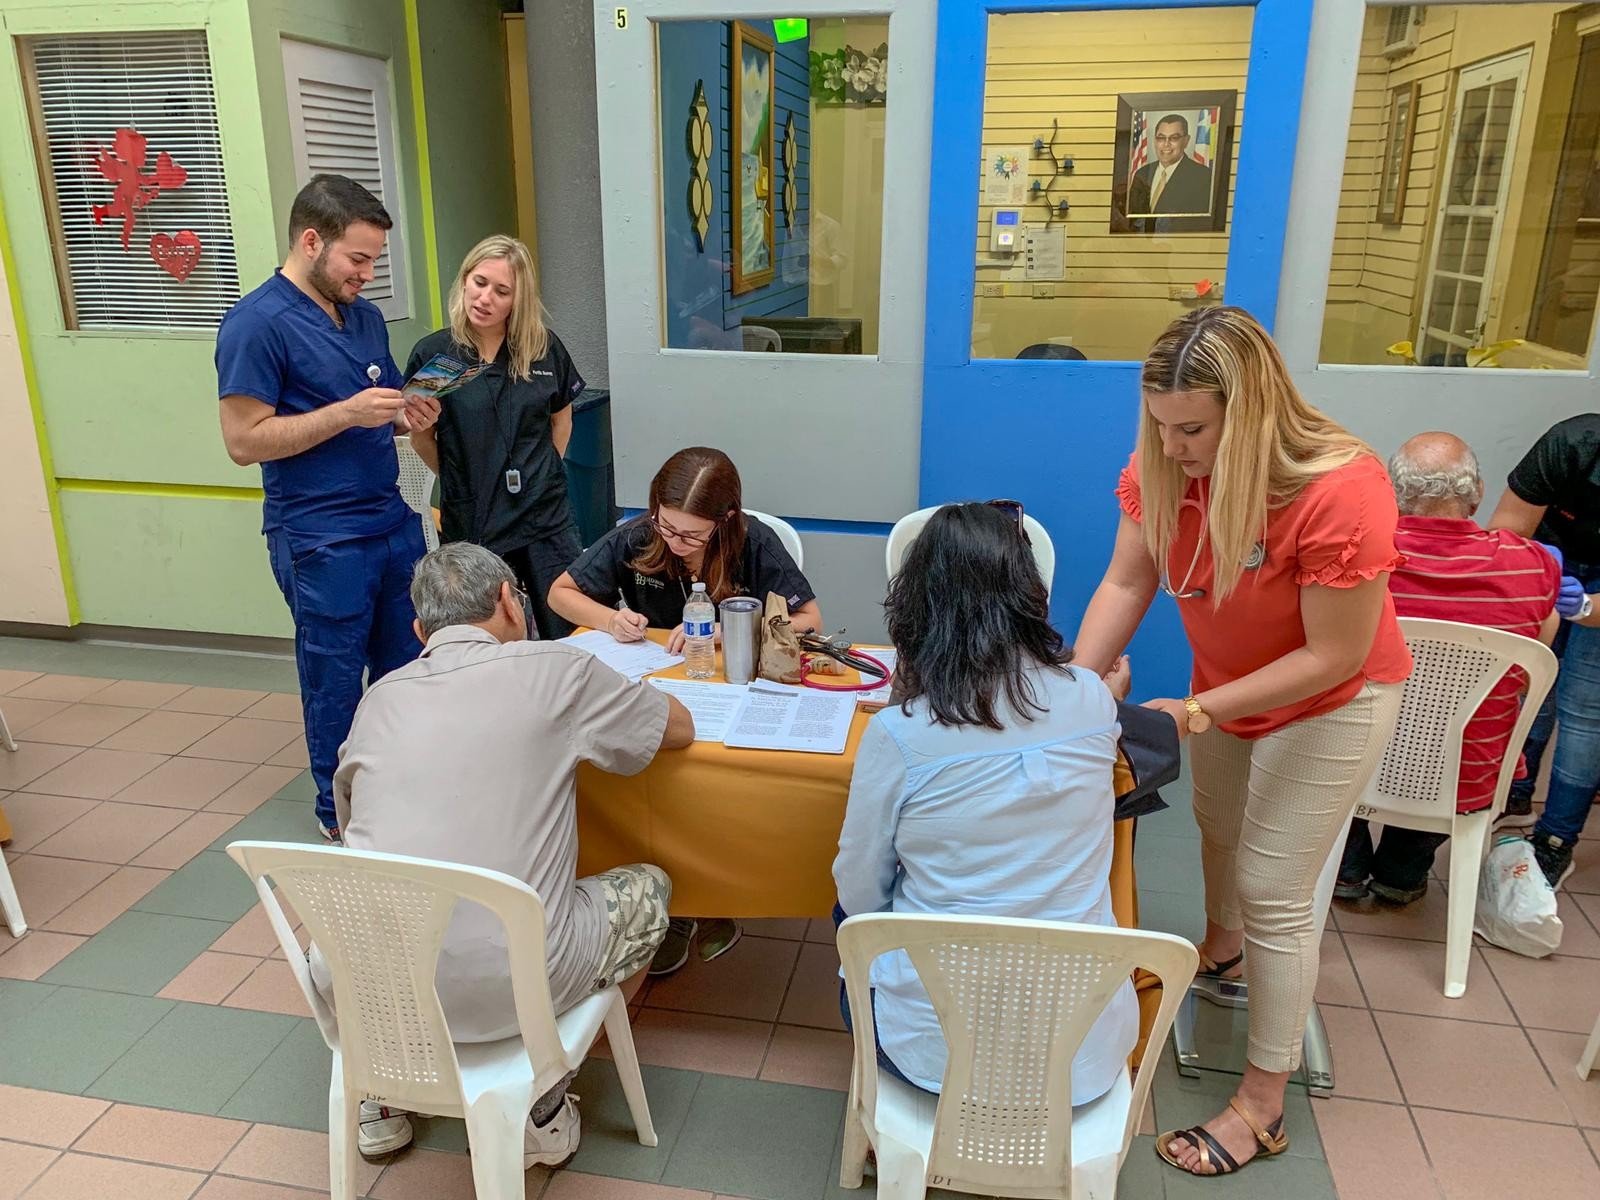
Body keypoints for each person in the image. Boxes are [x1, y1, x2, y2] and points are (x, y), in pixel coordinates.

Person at [1073, 306, 1411, 1178]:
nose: (1172, 445)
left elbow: (1333, 654)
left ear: (1252, 412)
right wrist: (1070, 687)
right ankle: (1223, 954)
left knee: (1274, 888)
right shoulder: (1163, 467)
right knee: (1218, 826)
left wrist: (1198, 709)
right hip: (1227, 688)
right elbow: (1127, 580)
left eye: (1192, 429)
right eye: (1160, 425)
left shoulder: (1342, 488)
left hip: (1335, 698)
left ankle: (1262, 1104)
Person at [321, 542, 694, 1165]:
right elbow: (675, 727)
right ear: (509, 602)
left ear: (420, 632)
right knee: (650, 887)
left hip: (375, 989)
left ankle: (381, 1097)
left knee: (379, 908)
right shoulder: (557, 669)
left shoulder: (379, 697)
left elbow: (351, 822)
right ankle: (544, 1090)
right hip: (517, 981)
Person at [832, 502, 1138, 1104]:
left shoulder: (899, 733)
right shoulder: (1093, 698)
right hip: (1082, 1057)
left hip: (933, 1058)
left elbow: (860, 893)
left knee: (850, 918)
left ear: (918, 606)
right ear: (1031, 594)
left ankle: (897, 1110)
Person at [216, 174, 440, 841]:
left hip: (390, 520)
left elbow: (379, 407)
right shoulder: (255, 324)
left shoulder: (363, 316)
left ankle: (403, 788)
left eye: (374, 261)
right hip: (320, 535)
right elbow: (243, 442)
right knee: (334, 678)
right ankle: (336, 811)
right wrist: (345, 414)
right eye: (358, 259)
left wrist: (406, 415)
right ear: (311, 241)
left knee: (410, 665)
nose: (366, 275)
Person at [548, 445, 822, 973]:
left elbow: (809, 618)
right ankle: (675, 907)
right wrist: (610, 620)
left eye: (692, 536)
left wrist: (727, 630)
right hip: (656, 688)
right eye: (667, 527)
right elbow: (562, 593)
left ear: (726, 520)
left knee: (717, 781)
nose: (676, 543)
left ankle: (715, 899)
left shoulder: (755, 542)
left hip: (731, 688)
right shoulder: (639, 536)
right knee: (649, 780)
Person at [1336, 434, 1560, 906]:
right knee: (1449, 745)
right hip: (1465, 774)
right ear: (1477, 493)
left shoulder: (1350, 556)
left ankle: (1346, 867)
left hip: (1355, 759)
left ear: (1393, 494)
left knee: (1337, 723)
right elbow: (1531, 663)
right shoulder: (1531, 567)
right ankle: (1402, 874)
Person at [405, 236, 587, 639]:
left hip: (543, 516)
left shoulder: (541, 349)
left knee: (567, 626)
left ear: (518, 300)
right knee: (481, 633)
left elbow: (562, 421)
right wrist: (461, 479)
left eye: (501, 291)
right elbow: (420, 437)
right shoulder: (438, 356)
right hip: (475, 517)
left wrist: (542, 474)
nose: (485, 298)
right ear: (464, 280)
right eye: (479, 282)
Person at [1489, 412, 1600, 887]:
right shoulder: (1572, 442)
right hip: (1550, 556)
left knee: (1585, 710)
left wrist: (1586, 606)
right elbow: (1506, 533)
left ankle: (1556, 839)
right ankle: (1515, 793)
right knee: (1531, 684)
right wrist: (1528, 573)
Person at [1128, 114, 1215, 217]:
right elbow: (1133, 217)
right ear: (1155, 141)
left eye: (1174, 138)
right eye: (1161, 138)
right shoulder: (1142, 174)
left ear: (1186, 141)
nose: (1166, 144)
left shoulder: (1202, 177)